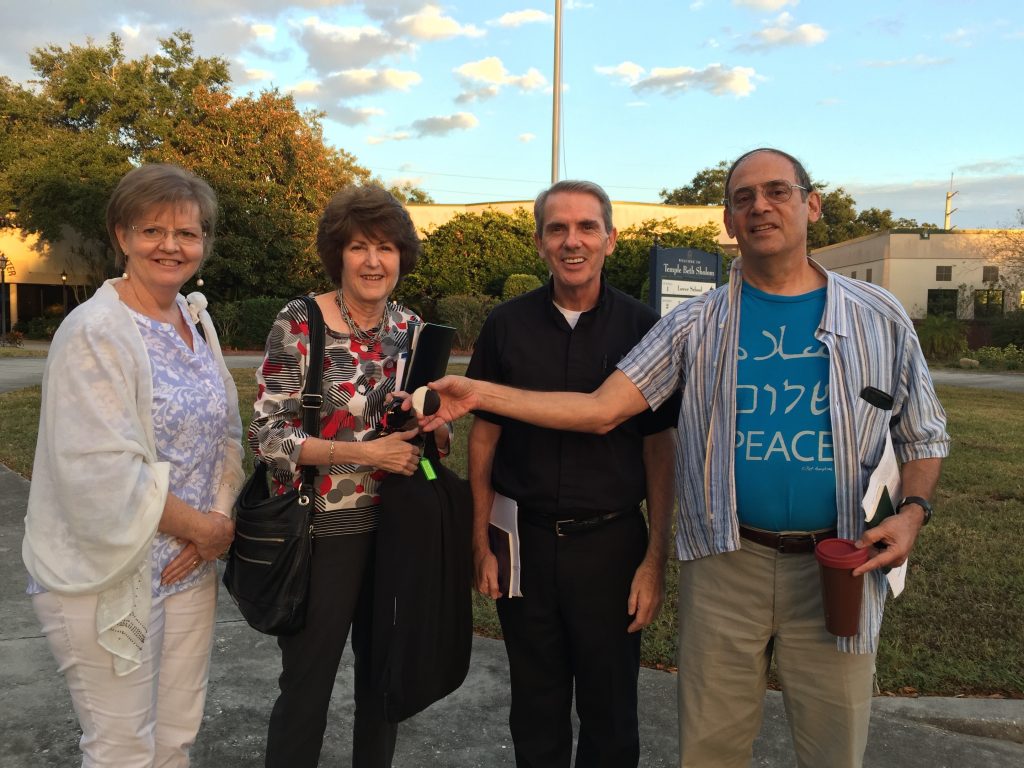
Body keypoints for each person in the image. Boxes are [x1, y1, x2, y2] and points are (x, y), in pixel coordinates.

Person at [421, 149, 950, 768]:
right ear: (728, 221)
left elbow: (924, 433)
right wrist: (477, 393)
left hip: (840, 563)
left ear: (812, 205)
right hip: (727, 562)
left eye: (777, 191)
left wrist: (912, 511)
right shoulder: (691, 326)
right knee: (709, 750)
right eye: (743, 198)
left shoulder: (879, 317)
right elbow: (600, 410)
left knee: (834, 747)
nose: (760, 207)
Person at [22, 163, 243, 766]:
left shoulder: (196, 318)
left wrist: (216, 522)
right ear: (121, 235)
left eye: (188, 233)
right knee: (122, 749)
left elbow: (227, 431)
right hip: (108, 577)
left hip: (189, 570)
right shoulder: (96, 332)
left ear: (204, 243)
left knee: (175, 739)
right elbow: (101, 476)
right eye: (153, 230)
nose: (171, 246)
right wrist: (205, 529)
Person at [466, 180, 678, 768]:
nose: (572, 241)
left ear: (611, 238)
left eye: (586, 227)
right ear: (539, 243)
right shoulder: (506, 325)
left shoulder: (645, 328)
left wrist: (654, 561)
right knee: (535, 707)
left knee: (611, 714)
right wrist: (479, 540)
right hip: (524, 540)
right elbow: (483, 436)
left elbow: (660, 448)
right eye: (557, 229)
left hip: (611, 545)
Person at [249, 184, 450, 768]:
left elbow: (425, 433)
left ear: (401, 258)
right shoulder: (302, 322)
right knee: (306, 688)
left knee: (383, 689)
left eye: (386, 247)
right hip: (322, 533)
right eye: (359, 246)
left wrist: (435, 428)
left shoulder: (411, 330)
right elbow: (268, 437)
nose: (372, 261)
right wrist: (368, 456)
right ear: (338, 253)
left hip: (394, 531)